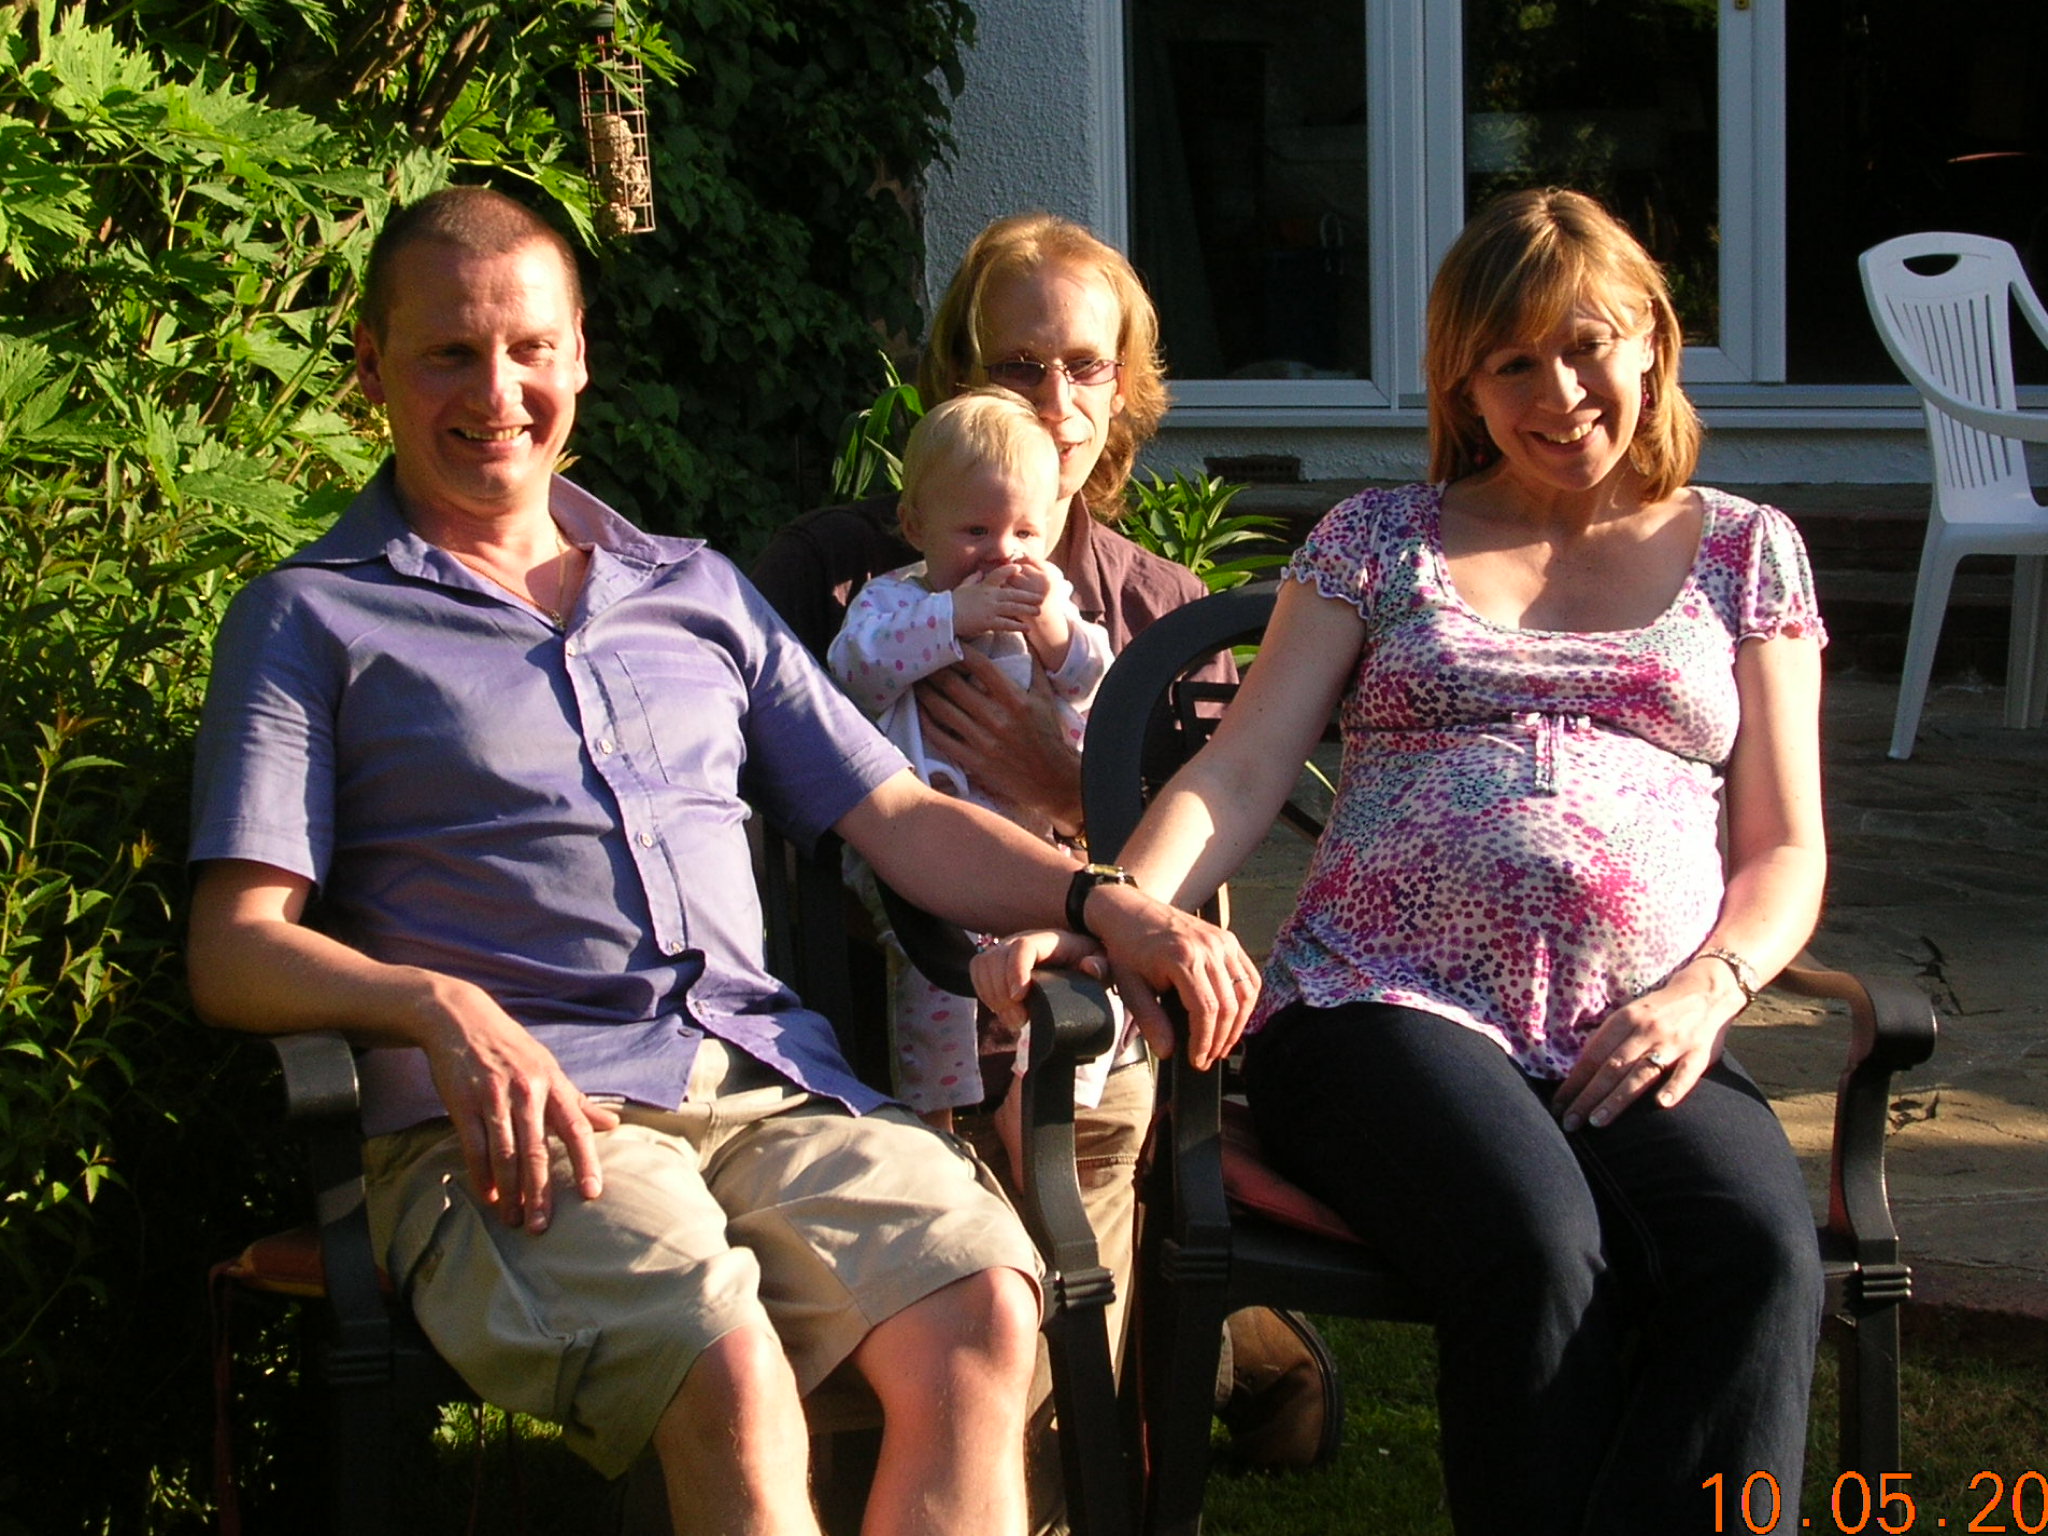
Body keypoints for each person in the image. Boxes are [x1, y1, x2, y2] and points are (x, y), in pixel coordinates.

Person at [182, 186, 1257, 1536]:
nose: (498, 392)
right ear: (371, 368)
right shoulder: (308, 619)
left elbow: (897, 814)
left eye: (530, 348)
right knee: (732, 1379)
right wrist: (434, 1006)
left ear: (579, 356)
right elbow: (233, 948)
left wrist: (1106, 900)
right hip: (524, 1123)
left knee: (985, 1312)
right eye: (449, 352)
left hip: (765, 1091)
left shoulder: (689, 589)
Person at [993, 187, 1830, 1535]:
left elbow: (1785, 845)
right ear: (1462, 385)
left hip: (1639, 1023)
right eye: (1511, 363)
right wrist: (1124, 908)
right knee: (1537, 1247)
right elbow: (1239, 771)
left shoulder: (1744, 553)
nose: (1557, 393)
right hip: (1381, 1006)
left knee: (1759, 1254)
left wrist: (1710, 988)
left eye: (1586, 346)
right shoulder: (1378, 541)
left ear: (1652, 342)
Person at [752, 212, 1342, 1476]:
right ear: (955, 373)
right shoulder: (844, 569)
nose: (1054, 400)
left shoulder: (1155, 607)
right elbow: (764, 782)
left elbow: (1201, 862)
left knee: (1087, 1154)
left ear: (1124, 390)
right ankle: (1222, 1354)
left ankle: (1096, 1451)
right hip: (875, 1002)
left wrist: (1059, 783)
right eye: (1016, 364)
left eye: (1085, 366)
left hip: (1076, 1016)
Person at [829, 389, 1117, 1131]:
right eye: (976, 530)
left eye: (1026, 530)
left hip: (1033, 852)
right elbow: (855, 671)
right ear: (916, 526)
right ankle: (938, 1118)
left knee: (1093, 964)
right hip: (917, 862)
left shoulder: (1048, 599)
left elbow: (1095, 681)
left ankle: (1041, 1102)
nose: (1003, 553)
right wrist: (950, 618)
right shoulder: (893, 602)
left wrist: (1054, 631)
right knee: (929, 982)